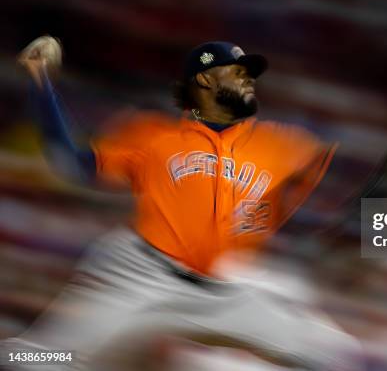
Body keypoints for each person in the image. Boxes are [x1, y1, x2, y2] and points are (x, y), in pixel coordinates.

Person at [1, 37, 360, 370]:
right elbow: (72, 163)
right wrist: (40, 81)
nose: (249, 80)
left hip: (226, 290)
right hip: (139, 278)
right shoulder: (153, 137)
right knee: (43, 357)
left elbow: (337, 203)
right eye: (238, 72)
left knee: (337, 356)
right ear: (204, 81)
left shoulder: (285, 146)